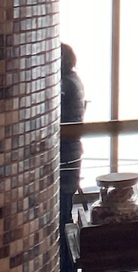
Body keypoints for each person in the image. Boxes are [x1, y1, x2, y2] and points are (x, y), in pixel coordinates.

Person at [60, 44, 84, 222]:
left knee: (62, 210)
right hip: (72, 150)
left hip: (66, 152)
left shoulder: (65, 85)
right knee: (65, 208)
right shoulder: (74, 80)